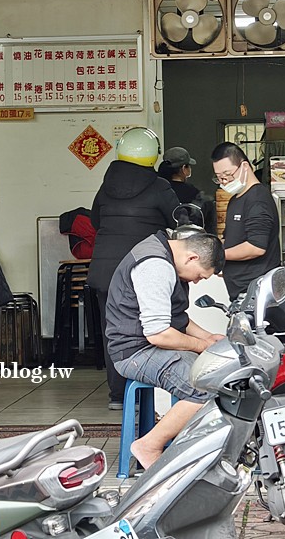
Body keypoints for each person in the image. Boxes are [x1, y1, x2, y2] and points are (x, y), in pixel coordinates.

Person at [105, 229, 226, 468]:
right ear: (192, 258)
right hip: (134, 352)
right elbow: (158, 333)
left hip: (146, 346)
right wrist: (202, 346)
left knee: (218, 373)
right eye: (200, 276)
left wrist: (209, 337)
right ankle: (149, 445)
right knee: (205, 387)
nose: (196, 281)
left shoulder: (163, 253)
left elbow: (175, 318)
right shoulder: (155, 265)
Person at [88, 127, 179, 409]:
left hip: (105, 270)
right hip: (143, 268)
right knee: (150, 328)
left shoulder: (107, 185)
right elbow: (178, 220)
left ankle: (118, 396)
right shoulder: (159, 186)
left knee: (113, 331)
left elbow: (94, 221)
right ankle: (147, 396)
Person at [210, 142, 280, 301]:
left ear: (245, 167)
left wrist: (217, 255)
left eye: (227, 174)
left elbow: (256, 247)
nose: (224, 181)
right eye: (219, 177)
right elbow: (230, 240)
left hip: (258, 293)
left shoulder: (258, 200)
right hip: (240, 292)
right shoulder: (236, 199)